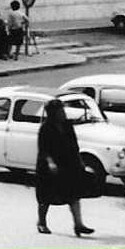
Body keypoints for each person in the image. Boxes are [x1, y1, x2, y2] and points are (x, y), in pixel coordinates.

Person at [35, 98, 94, 237]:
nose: (63, 113)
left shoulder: (68, 125)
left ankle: (78, 225)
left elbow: (74, 145)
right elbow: (43, 149)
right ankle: (41, 223)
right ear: (53, 113)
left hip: (67, 164)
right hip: (48, 167)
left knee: (74, 194)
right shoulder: (45, 128)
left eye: (63, 110)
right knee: (45, 197)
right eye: (60, 111)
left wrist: (80, 161)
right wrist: (50, 163)